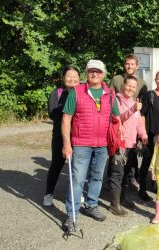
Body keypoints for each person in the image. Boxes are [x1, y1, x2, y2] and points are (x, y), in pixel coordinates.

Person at [61, 59, 120, 231]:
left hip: (102, 145)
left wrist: (118, 139)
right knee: (77, 180)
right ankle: (72, 215)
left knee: (97, 177)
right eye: (91, 71)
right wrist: (67, 144)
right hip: (81, 144)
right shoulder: (76, 92)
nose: (95, 74)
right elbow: (66, 119)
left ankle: (91, 204)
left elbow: (117, 118)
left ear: (104, 75)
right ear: (86, 73)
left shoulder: (110, 94)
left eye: (98, 71)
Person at [107, 76, 148, 216]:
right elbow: (118, 119)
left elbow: (138, 123)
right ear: (123, 85)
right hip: (120, 144)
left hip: (131, 145)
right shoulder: (116, 101)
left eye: (133, 87)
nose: (131, 89)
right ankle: (114, 204)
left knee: (125, 173)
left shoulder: (133, 102)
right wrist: (132, 109)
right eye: (129, 85)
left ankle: (122, 199)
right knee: (117, 173)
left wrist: (143, 136)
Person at [44, 65, 80, 207]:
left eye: (75, 77)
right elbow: (53, 114)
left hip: (78, 136)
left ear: (79, 78)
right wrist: (68, 114)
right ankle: (48, 193)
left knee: (78, 168)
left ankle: (76, 193)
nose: (72, 79)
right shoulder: (57, 93)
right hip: (60, 135)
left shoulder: (83, 93)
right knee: (56, 165)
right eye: (69, 77)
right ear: (64, 78)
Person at [110, 54, 148, 189]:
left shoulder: (142, 84)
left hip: (133, 123)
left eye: (132, 64)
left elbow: (141, 109)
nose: (129, 66)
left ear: (137, 66)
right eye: (127, 63)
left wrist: (143, 132)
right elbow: (110, 101)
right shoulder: (116, 79)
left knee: (131, 156)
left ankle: (130, 180)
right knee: (116, 159)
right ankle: (113, 184)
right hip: (119, 124)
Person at [138, 70, 159, 201]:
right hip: (150, 133)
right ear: (155, 79)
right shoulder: (149, 95)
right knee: (147, 162)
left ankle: (157, 186)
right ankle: (142, 189)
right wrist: (143, 133)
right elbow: (142, 114)